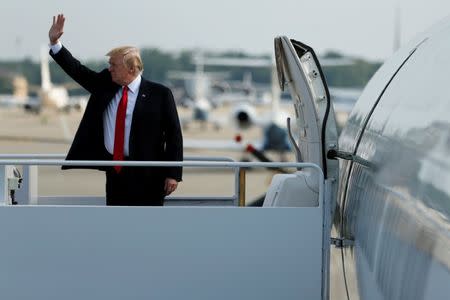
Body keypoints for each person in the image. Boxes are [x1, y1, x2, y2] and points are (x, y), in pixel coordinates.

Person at [48, 14, 183, 206]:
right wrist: (55, 42)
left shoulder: (160, 94)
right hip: (115, 172)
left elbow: (174, 136)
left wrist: (173, 174)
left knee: (148, 229)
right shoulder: (105, 84)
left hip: (149, 175)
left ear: (132, 68)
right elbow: (77, 70)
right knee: (116, 227)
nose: (109, 68)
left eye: (114, 65)